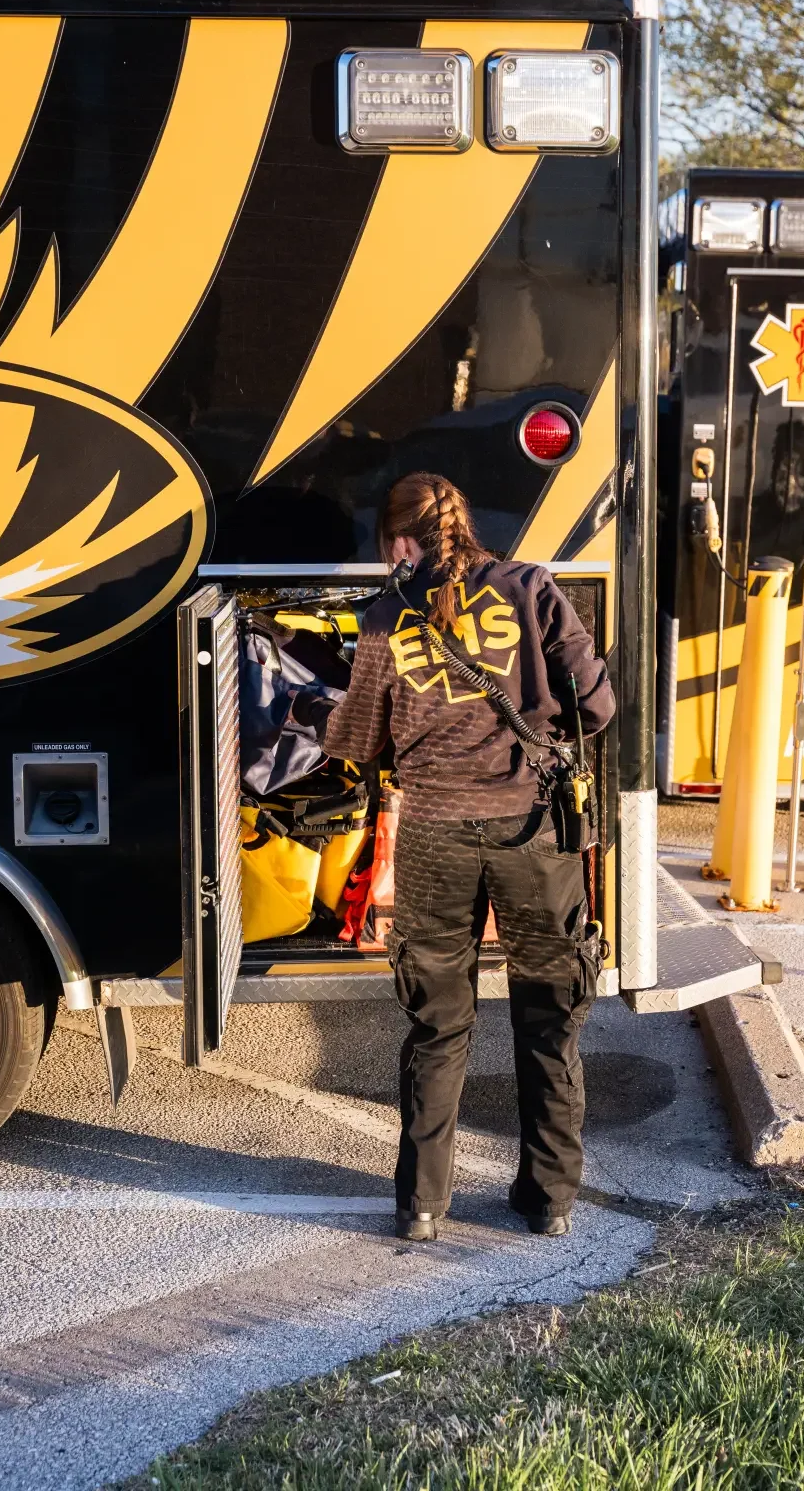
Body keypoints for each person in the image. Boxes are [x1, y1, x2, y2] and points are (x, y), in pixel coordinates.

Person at [322, 472, 615, 1241]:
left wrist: (308, 708)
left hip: (433, 838)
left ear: (399, 543)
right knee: (549, 1017)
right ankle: (548, 1202)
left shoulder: (385, 616)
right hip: (533, 832)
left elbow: (357, 739)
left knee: (438, 1025)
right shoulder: (531, 588)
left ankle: (422, 1206)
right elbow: (596, 705)